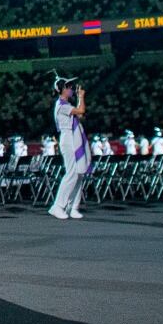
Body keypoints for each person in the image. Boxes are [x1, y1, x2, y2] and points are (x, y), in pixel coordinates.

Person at [49, 73, 92, 220]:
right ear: (62, 89)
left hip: (75, 137)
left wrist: (80, 99)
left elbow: (80, 115)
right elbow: (81, 111)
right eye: (68, 87)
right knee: (72, 173)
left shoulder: (67, 105)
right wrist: (81, 97)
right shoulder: (61, 105)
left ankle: (73, 206)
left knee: (79, 173)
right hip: (68, 139)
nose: (71, 89)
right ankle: (58, 206)